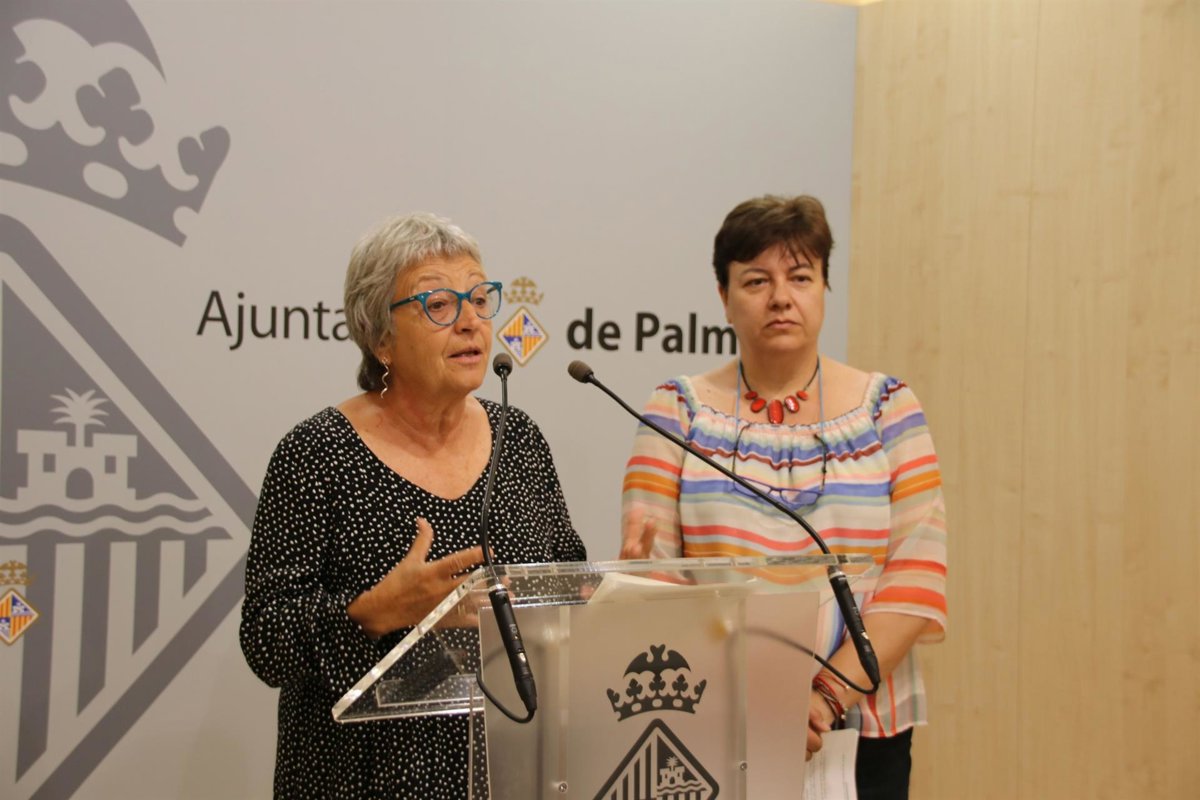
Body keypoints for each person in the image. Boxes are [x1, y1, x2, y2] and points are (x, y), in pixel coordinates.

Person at [239, 212, 586, 799]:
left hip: (508, 771)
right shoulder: (316, 453)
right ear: (380, 338)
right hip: (358, 779)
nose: (471, 322)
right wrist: (373, 613)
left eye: (480, 299)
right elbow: (265, 637)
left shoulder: (520, 440)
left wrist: (609, 591)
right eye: (439, 305)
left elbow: (564, 583)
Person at [620, 195, 947, 799]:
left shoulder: (890, 409)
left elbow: (916, 581)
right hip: (717, 719)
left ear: (824, 288)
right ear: (724, 298)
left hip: (863, 727)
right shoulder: (675, 412)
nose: (780, 297)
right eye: (756, 280)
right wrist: (760, 703)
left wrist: (823, 697)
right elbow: (659, 580)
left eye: (800, 277)